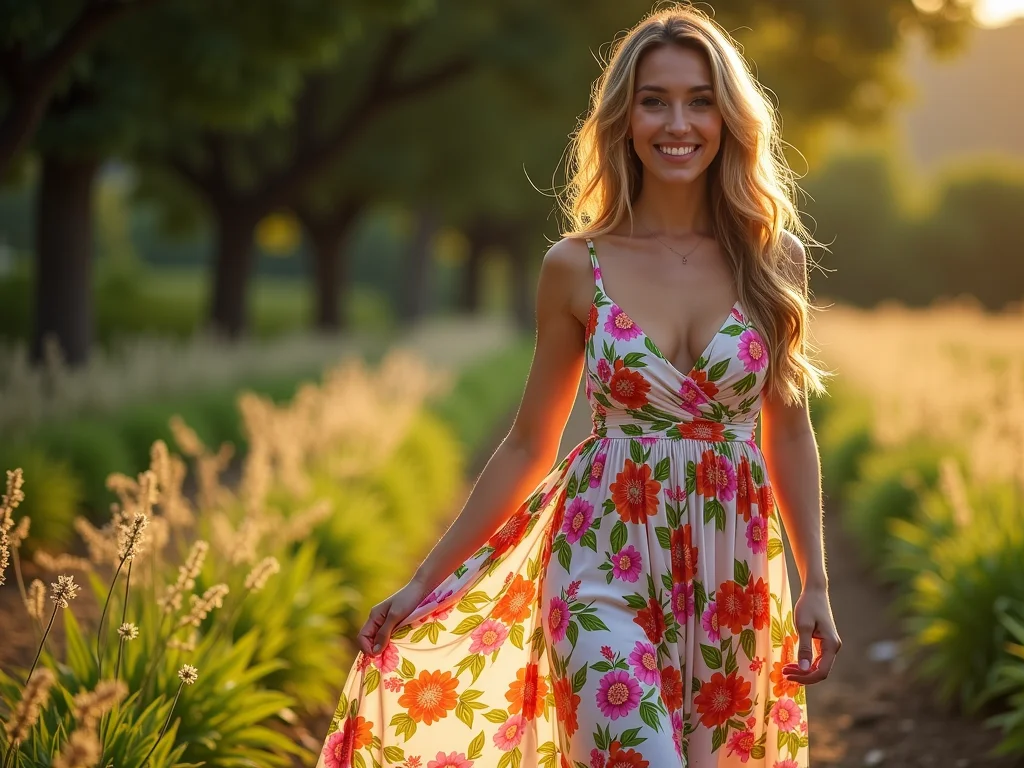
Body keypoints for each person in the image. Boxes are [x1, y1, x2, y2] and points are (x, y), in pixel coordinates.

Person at [316, 5, 840, 768]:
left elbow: (786, 428)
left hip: (730, 571)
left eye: (699, 100)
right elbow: (530, 440)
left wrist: (815, 582)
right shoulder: (575, 264)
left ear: (728, 118)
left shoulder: (773, 258)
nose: (678, 122)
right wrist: (425, 581)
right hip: (602, 563)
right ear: (623, 119)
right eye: (654, 100)